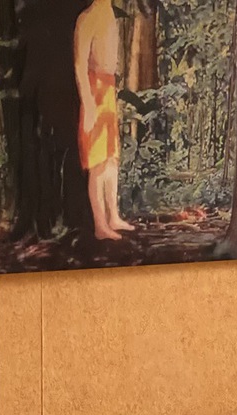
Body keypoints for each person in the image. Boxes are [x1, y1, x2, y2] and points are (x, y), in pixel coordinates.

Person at [74, 0, 135, 240]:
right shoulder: (86, 18)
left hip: (108, 88)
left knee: (111, 158)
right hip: (94, 89)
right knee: (98, 160)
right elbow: (80, 64)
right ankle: (100, 224)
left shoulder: (108, 12)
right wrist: (89, 104)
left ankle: (114, 216)